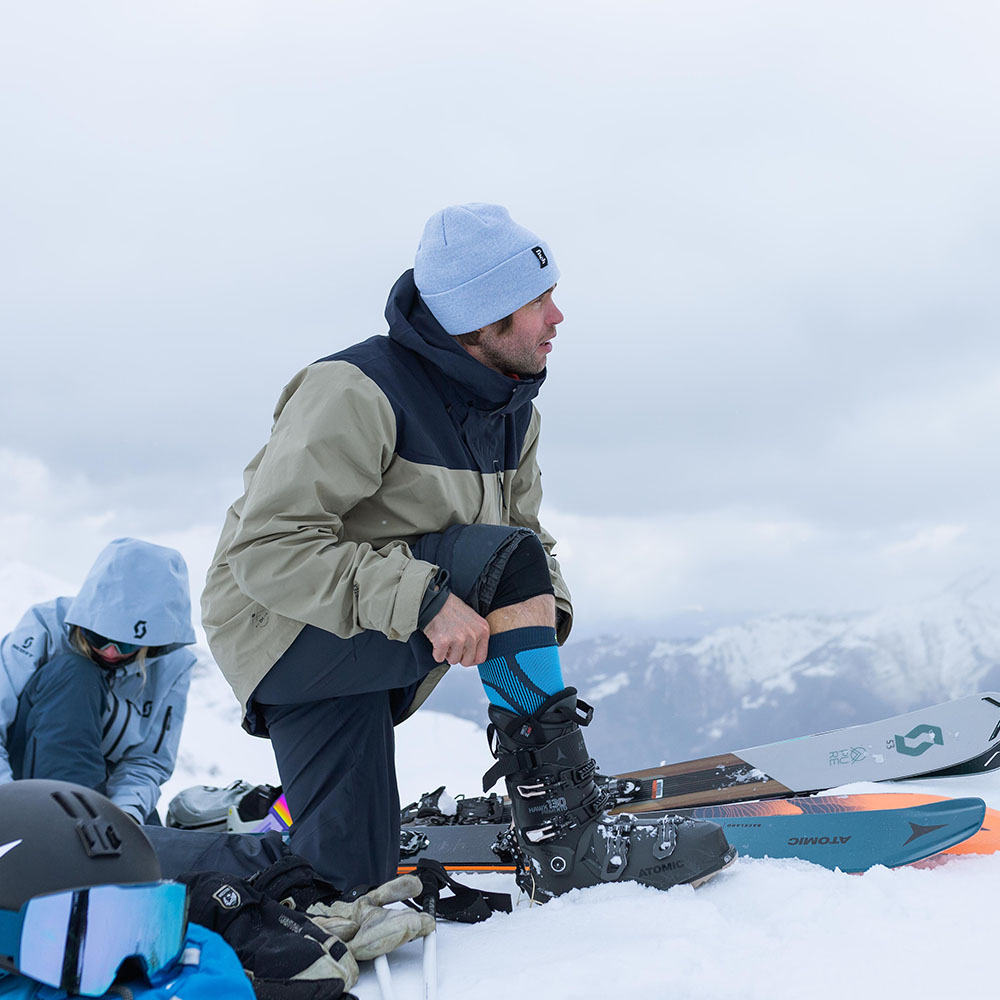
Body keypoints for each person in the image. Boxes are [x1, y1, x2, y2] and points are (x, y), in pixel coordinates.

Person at [202, 203, 734, 897]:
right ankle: (563, 838)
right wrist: (424, 600)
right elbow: (269, 547)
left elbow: (527, 545)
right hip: (285, 628)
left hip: (366, 626)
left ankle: (193, 849)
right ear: (485, 321)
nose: (558, 316)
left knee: (344, 882)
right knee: (506, 557)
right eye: (539, 300)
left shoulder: (513, 412)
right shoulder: (354, 390)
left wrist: (542, 623)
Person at [0, 537, 196, 822]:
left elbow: (146, 762)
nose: (110, 652)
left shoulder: (171, 667)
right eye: (99, 637)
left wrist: (124, 819)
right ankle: (73, 825)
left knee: (150, 839)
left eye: (127, 645)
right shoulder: (44, 626)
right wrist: (9, 807)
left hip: (101, 790)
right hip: (22, 787)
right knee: (76, 673)